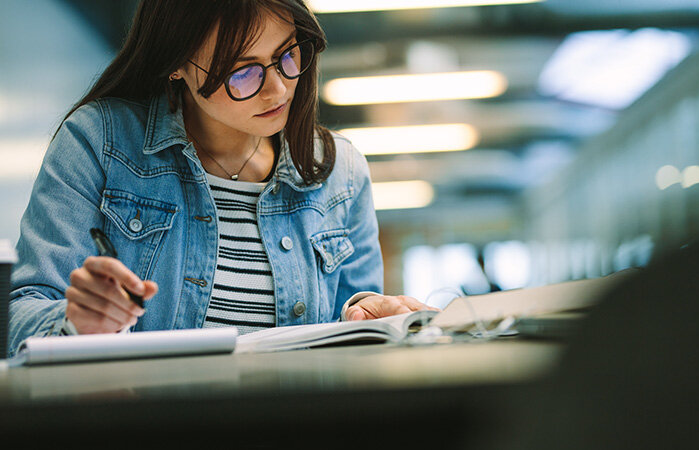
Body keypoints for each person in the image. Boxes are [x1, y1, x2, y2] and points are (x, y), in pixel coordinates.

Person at [7, 0, 433, 358]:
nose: (279, 90)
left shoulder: (341, 170)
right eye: (243, 73)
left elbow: (355, 339)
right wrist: (78, 324)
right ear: (176, 65)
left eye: (288, 55)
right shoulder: (100, 143)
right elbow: (21, 318)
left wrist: (367, 313)